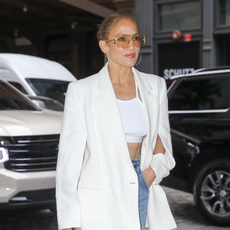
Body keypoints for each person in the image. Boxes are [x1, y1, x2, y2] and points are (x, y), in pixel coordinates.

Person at [56, 13, 177, 230]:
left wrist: (149, 175)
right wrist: (69, 218)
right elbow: (69, 161)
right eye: (122, 39)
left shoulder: (155, 86)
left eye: (136, 38)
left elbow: (163, 146)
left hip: (139, 184)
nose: (132, 45)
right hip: (99, 195)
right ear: (104, 46)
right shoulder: (81, 91)